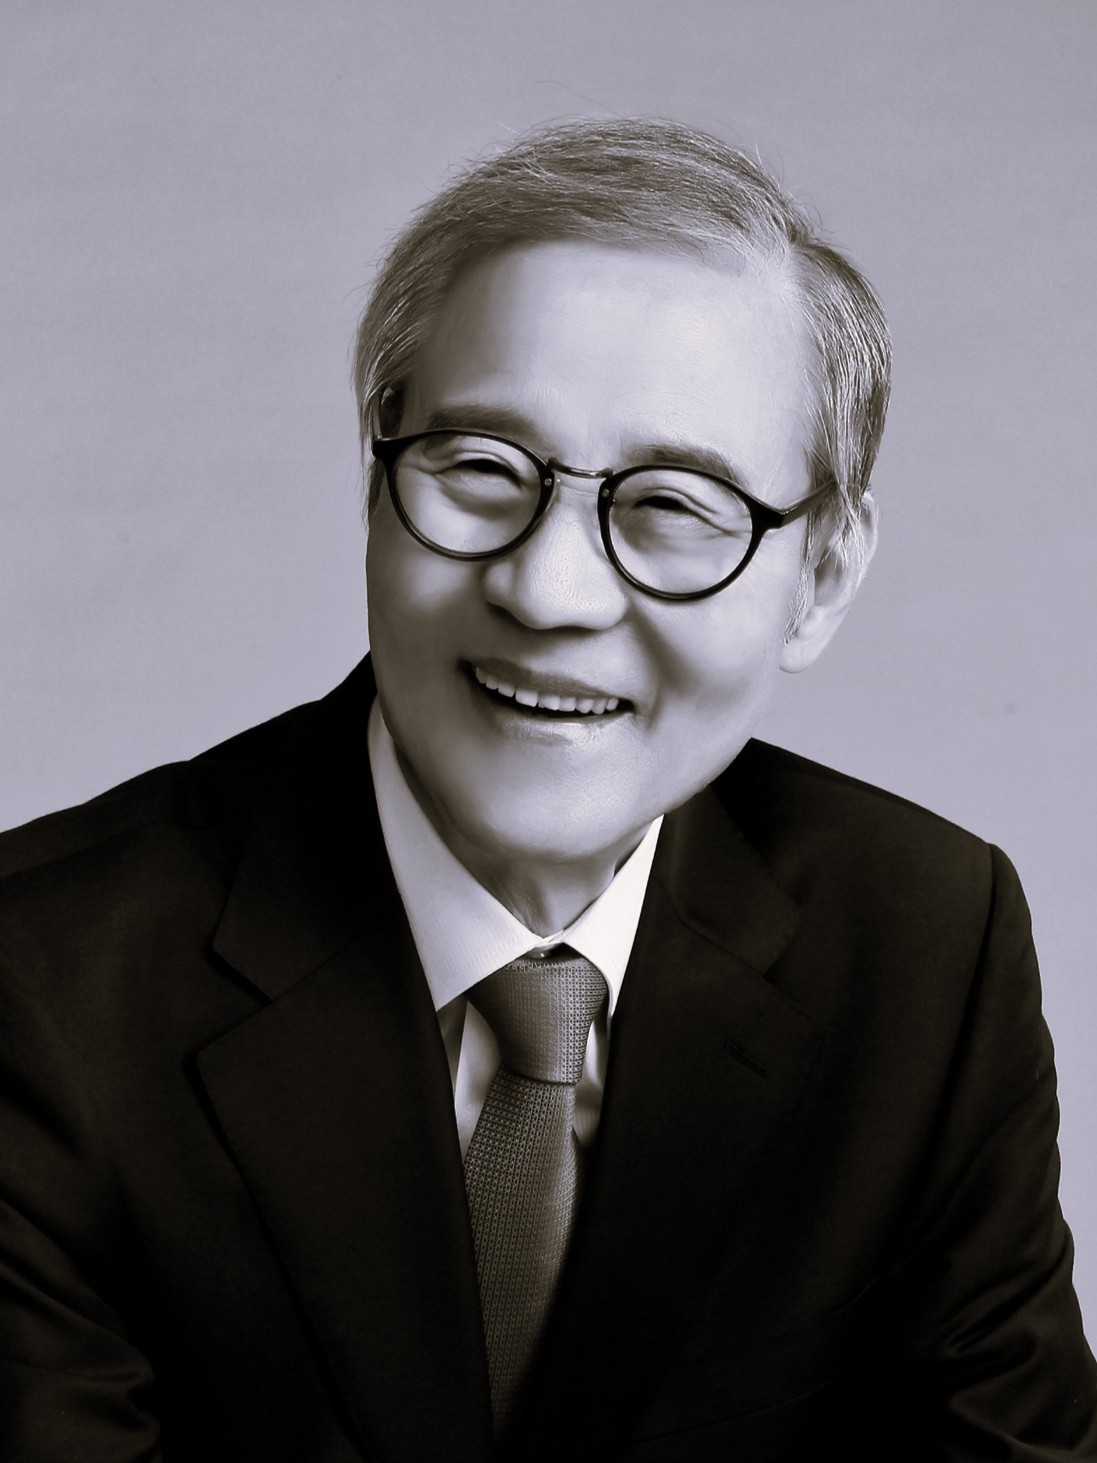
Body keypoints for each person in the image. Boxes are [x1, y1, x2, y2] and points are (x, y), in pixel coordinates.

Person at [0, 117, 1094, 1463]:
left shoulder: (925, 943)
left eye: (673, 504)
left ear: (820, 578)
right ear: (374, 482)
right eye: (479, 469)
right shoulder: (39, 980)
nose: (547, 590)